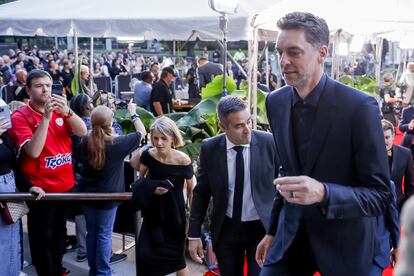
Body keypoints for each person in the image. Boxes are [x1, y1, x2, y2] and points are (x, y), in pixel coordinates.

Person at [257, 12, 391, 276]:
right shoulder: (275, 101)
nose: (283, 62)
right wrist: (272, 231)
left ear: (322, 53)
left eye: (294, 52)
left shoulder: (359, 107)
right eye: (279, 52)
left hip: (345, 241)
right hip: (291, 235)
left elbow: (380, 195)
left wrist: (324, 193)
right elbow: (286, 172)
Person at [8, 69, 87, 276]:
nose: (45, 90)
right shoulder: (20, 116)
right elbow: (33, 152)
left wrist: (68, 111)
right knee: (43, 237)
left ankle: (57, 267)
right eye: (39, 86)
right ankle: (47, 271)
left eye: (48, 86)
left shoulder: (61, 109)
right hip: (40, 189)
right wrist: (45, 118)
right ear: (28, 89)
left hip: (65, 185)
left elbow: (82, 131)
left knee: (60, 232)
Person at [188, 96, 278, 276]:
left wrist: (278, 230)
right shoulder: (210, 148)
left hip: (261, 229)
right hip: (226, 229)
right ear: (222, 126)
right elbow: (201, 193)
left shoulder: (270, 143)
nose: (247, 130)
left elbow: (283, 190)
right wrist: (194, 235)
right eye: (239, 126)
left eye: (249, 122)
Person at [77, 101, 145, 275]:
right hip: (107, 198)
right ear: (111, 122)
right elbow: (141, 132)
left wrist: (107, 116)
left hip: (86, 196)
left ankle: (95, 270)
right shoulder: (117, 143)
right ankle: (103, 272)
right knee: (104, 235)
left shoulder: (85, 140)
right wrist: (133, 112)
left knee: (92, 233)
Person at [131, 116, 194, 276]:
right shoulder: (149, 155)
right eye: (155, 138)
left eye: (163, 139)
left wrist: (191, 220)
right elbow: (140, 181)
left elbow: (192, 190)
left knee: (178, 261)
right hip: (153, 214)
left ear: (173, 138)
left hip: (175, 216)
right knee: (145, 256)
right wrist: (152, 188)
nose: (159, 143)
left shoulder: (183, 159)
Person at [0, 112, 21, 276]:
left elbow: (14, 164)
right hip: (3, 191)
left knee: (14, 236)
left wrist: (30, 186)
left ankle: (13, 271)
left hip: (12, 188)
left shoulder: (6, 136)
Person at [382, 119, 414, 211]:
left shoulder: (405, 154)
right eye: (381, 137)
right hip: (375, 208)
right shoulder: (368, 154)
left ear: (393, 136)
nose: (384, 141)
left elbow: (410, 185)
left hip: (397, 205)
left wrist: (406, 207)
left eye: (387, 137)